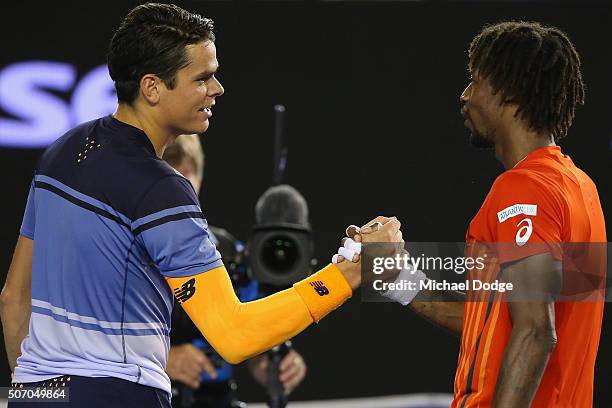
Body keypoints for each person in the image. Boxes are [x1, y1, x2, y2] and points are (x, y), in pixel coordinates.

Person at [0, 3, 403, 407]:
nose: (217, 89)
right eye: (202, 78)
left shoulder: (63, 152)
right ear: (152, 87)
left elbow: (13, 299)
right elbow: (235, 334)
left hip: (34, 394)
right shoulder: (160, 190)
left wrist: (36, 391)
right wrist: (349, 272)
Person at [341, 21, 606, 407]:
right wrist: (397, 276)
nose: (465, 96)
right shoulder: (581, 188)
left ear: (510, 92)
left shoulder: (523, 188)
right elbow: (499, 322)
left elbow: (536, 332)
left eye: (475, 81)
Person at [162, 135, 307, 407]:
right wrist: (162, 358)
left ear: (199, 180)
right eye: (164, 175)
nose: (174, 188)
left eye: (184, 176)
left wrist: (269, 363)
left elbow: (251, 329)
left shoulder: (230, 252)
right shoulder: (118, 251)